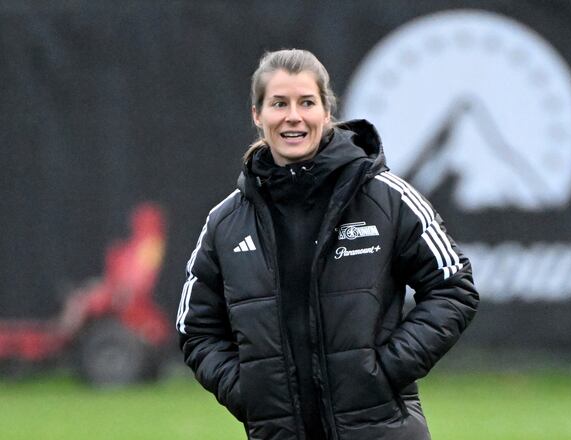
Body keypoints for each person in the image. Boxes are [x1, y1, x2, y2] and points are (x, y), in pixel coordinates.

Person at [176, 48, 479, 440]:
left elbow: (453, 286)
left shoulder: (386, 197)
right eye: (279, 103)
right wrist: (248, 393)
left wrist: (385, 373)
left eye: (306, 102)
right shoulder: (225, 222)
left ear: (326, 111)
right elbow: (196, 327)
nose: (293, 116)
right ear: (257, 115)